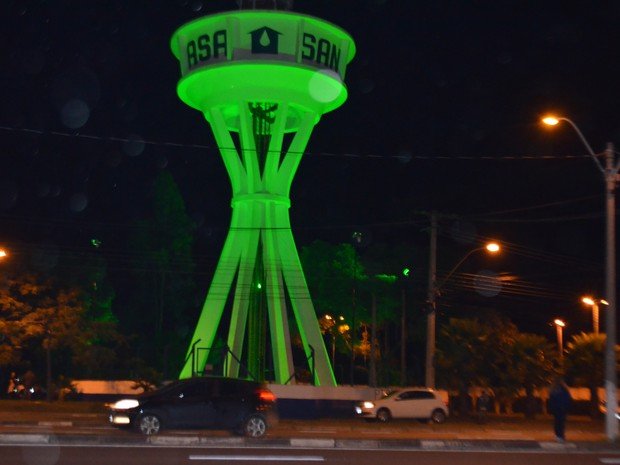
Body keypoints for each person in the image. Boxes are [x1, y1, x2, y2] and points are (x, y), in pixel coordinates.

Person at [548, 377, 572, 442]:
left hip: (556, 409)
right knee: (561, 422)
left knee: (557, 422)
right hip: (563, 408)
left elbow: (551, 401)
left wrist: (551, 409)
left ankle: (558, 435)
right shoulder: (565, 390)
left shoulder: (553, 390)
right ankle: (561, 435)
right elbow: (568, 400)